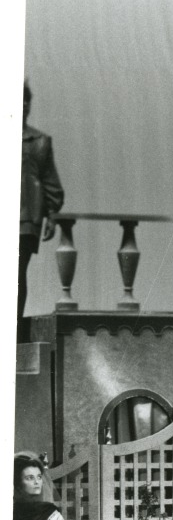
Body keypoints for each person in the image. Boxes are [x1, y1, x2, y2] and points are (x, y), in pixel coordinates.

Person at [20, 82, 65, 342]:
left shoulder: (40, 142)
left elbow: (51, 183)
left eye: (26, 100)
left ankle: (12, 330)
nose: (23, 105)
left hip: (26, 221)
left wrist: (52, 215)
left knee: (16, 272)